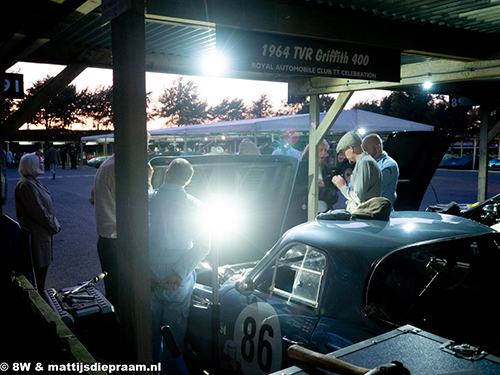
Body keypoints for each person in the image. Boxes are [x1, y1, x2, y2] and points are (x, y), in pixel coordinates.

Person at [149, 158, 210, 374]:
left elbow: (134, 238)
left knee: (150, 336)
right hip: (179, 278)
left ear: (167, 173)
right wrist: (179, 272)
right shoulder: (196, 206)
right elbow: (204, 244)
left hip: (151, 274)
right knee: (174, 337)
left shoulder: (147, 200)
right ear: (189, 179)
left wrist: (147, 270)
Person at [89, 134, 154, 310]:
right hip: (121, 241)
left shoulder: (106, 164)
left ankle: (116, 332)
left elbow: (92, 197)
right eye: (145, 144)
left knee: (113, 293)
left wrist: (107, 208)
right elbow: (140, 205)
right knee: (128, 297)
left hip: (106, 239)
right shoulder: (122, 169)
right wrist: (147, 179)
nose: (146, 149)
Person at [15, 152, 61, 291]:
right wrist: (55, 226)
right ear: (31, 166)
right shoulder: (27, 185)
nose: (43, 164)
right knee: (38, 279)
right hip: (37, 237)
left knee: (40, 275)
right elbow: (40, 213)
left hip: (40, 236)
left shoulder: (32, 183)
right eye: (40, 162)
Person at [332, 131, 382, 212]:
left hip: (363, 217)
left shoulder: (364, 162)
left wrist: (342, 187)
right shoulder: (363, 162)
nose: (344, 156)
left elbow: (358, 197)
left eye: (344, 152)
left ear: (351, 148)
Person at [362, 133, 399, 206]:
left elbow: (372, 185)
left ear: (378, 147)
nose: (363, 153)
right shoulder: (367, 163)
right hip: (368, 210)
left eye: (366, 149)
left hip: (382, 211)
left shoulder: (390, 165)